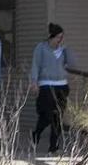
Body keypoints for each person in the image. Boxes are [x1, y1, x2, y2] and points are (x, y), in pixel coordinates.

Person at [28, 23, 71, 153]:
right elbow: (35, 65)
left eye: (61, 37)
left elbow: (69, 64)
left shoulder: (63, 49)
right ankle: (36, 133)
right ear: (51, 37)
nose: (59, 40)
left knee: (58, 117)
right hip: (46, 85)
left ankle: (53, 146)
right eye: (57, 37)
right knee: (47, 115)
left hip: (61, 85)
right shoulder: (41, 48)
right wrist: (34, 81)